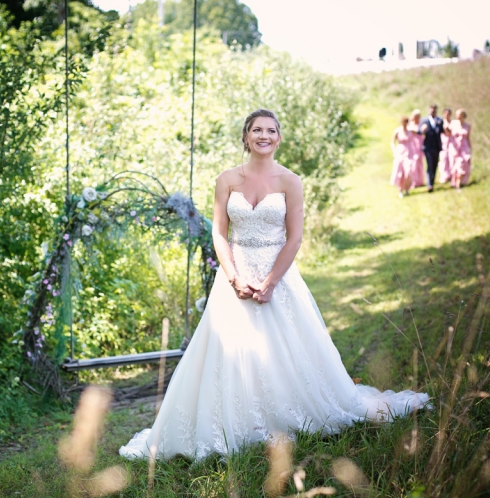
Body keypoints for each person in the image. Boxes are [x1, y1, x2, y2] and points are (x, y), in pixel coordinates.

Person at [119, 109, 430, 461]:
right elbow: (219, 234)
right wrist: (234, 277)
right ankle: (233, 424)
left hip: (277, 275)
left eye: (270, 130)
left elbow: (294, 238)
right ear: (246, 136)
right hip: (235, 275)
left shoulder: (290, 181)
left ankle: (289, 413)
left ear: (279, 138)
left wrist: (269, 283)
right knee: (229, 349)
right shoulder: (226, 180)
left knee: (285, 349)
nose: (263, 136)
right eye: (257, 130)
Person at [419, 104, 445, 192]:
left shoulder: (440, 120)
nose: (433, 111)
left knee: (434, 165)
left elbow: (443, 131)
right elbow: (419, 131)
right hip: (428, 146)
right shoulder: (424, 120)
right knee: (429, 165)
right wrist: (423, 130)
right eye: (431, 109)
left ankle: (432, 182)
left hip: (437, 147)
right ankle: (429, 184)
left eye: (434, 110)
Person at [390, 116, 413, 197]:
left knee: (408, 171)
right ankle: (400, 189)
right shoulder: (397, 131)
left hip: (409, 152)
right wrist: (394, 151)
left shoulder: (410, 131)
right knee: (400, 172)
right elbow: (392, 142)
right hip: (400, 152)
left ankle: (407, 187)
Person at [449, 109, 472, 190]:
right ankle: (454, 181)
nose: (458, 116)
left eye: (459, 114)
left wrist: (470, 147)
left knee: (463, 164)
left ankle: (459, 182)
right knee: (454, 165)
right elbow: (448, 134)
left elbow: (468, 137)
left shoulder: (467, 125)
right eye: (457, 114)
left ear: (463, 116)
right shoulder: (453, 123)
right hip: (455, 147)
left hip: (464, 147)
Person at [407, 110, 425, 188]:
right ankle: (413, 181)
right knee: (413, 164)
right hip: (412, 146)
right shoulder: (410, 124)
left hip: (419, 145)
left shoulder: (421, 124)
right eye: (415, 116)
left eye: (418, 116)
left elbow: (421, 132)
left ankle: (419, 181)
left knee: (419, 164)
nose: (416, 118)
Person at [439, 108, 455, 184]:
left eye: (448, 113)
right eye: (445, 113)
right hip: (443, 143)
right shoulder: (440, 122)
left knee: (452, 159)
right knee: (444, 159)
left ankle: (452, 175)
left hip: (452, 143)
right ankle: (444, 175)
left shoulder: (453, 122)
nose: (447, 115)